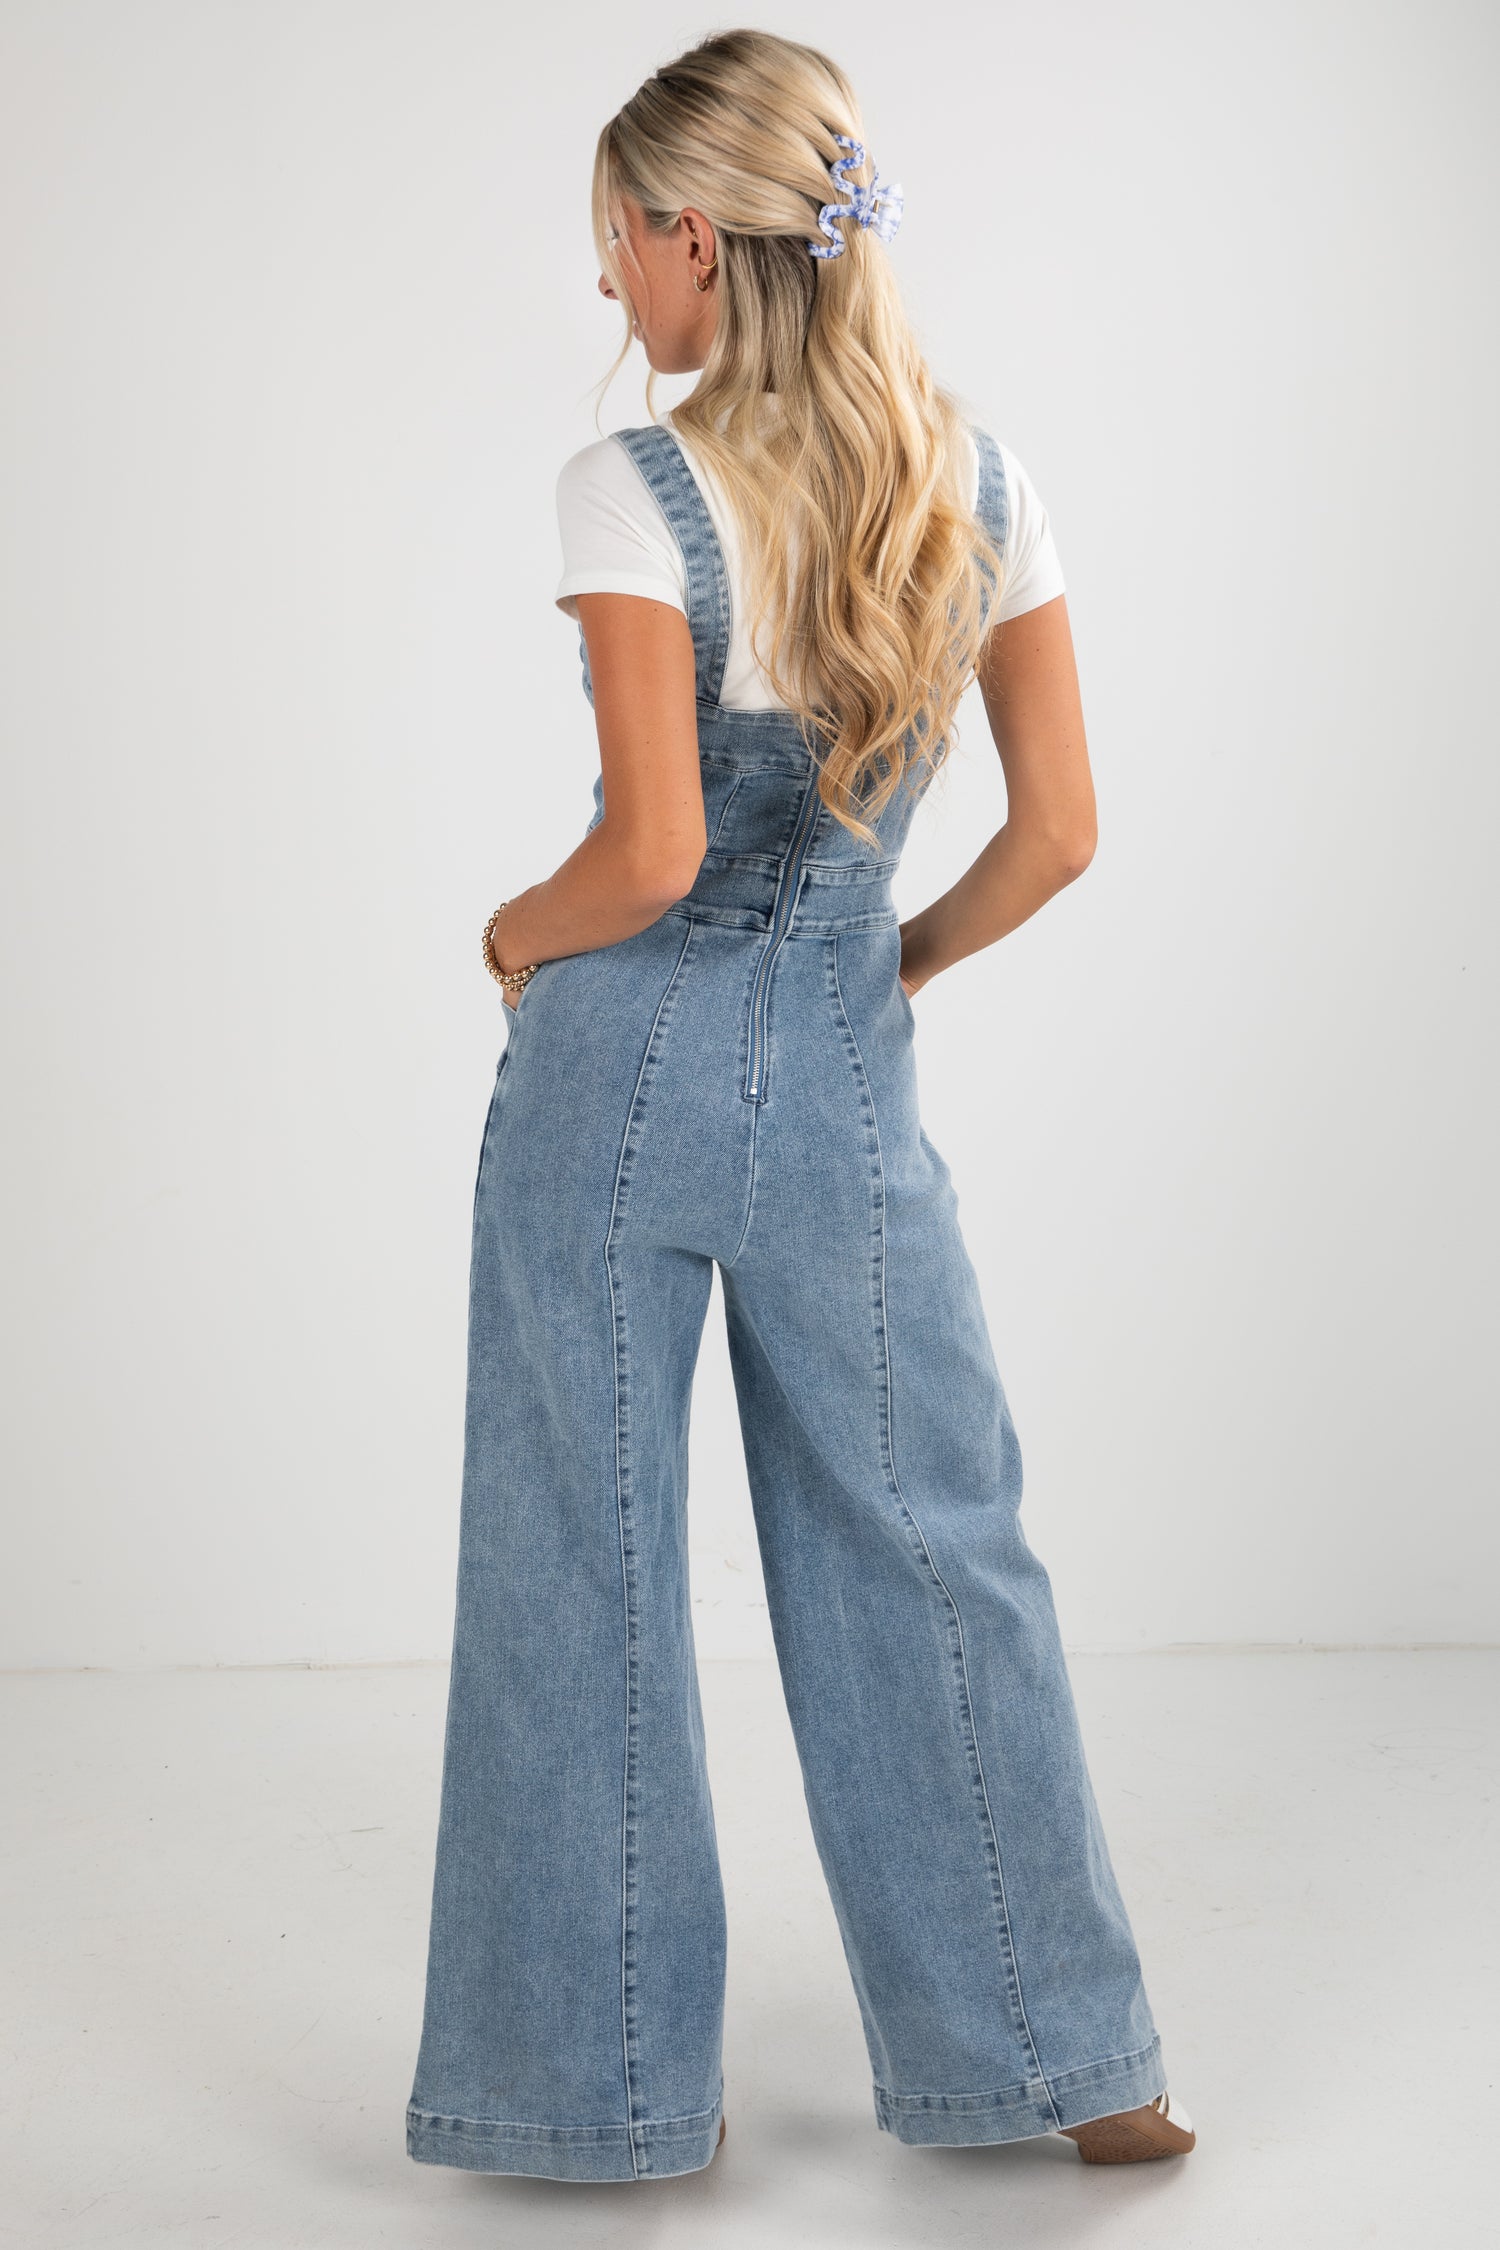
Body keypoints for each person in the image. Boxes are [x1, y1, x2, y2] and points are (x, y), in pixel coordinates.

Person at [405, 26, 1196, 2186]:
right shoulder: (985, 480)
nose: (607, 293)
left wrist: (507, 931)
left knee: (581, 1562)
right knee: (936, 1537)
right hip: (845, 1081)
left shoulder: (629, 488)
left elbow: (647, 856)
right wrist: (894, 966)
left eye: (614, 245)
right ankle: (1065, 2061)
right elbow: (1059, 835)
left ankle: (593, 2097)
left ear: (692, 238)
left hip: (614, 1077)